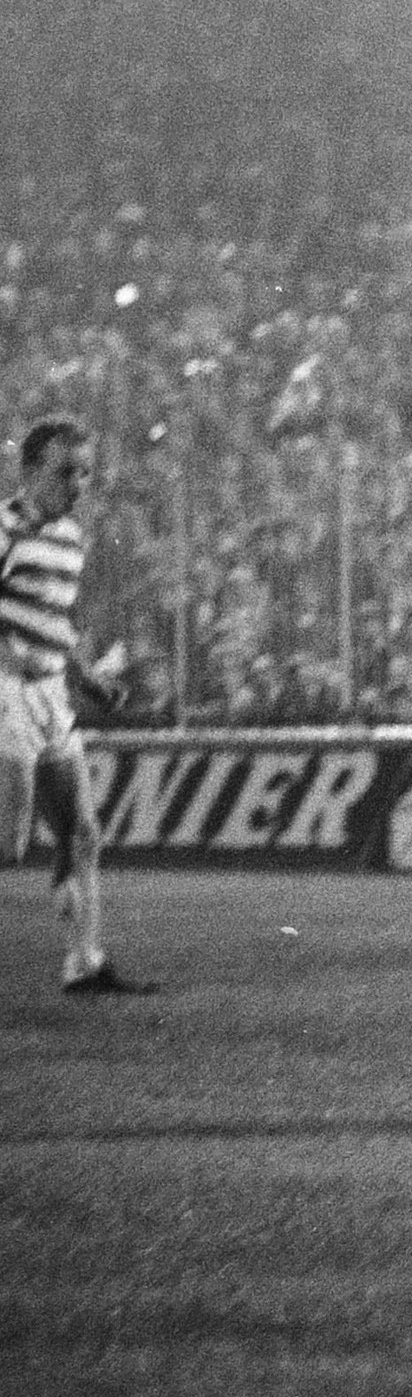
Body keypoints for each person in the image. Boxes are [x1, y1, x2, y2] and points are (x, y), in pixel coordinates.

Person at [3, 417, 147, 995]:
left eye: (85, 473)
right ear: (29, 471)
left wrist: (85, 679)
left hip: (49, 697)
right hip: (5, 693)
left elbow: (54, 624)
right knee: (9, 845)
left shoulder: (69, 539)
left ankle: (84, 962)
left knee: (81, 832)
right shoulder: (5, 529)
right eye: (66, 472)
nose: (78, 485)